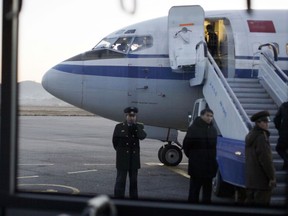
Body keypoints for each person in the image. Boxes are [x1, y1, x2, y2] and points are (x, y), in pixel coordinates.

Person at [182, 108, 218, 203]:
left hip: (209, 167)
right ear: (202, 115)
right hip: (197, 167)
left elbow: (215, 148)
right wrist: (194, 158)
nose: (209, 118)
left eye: (211, 116)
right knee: (194, 191)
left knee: (207, 193)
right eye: (207, 115)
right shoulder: (193, 128)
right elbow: (186, 145)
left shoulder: (213, 130)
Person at [112, 106, 147, 199]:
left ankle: (133, 201)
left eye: (133, 116)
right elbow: (115, 142)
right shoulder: (119, 127)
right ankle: (118, 200)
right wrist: (121, 152)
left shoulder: (138, 126)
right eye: (130, 116)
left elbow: (143, 136)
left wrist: (136, 127)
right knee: (120, 181)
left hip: (134, 160)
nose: (131, 117)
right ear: (126, 116)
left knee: (134, 182)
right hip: (122, 159)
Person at [245, 111, 276, 205]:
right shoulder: (261, 137)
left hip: (251, 180)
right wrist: (272, 177)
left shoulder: (250, 135)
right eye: (264, 122)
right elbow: (266, 159)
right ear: (258, 123)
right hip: (262, 181)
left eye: (267, 122)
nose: (267, 124)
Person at [273, 101, 288, 170]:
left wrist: (280, 129)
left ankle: (286, 161)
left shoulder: (284, 106)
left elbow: (276, 120)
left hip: (285, 134)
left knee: (279, 148)